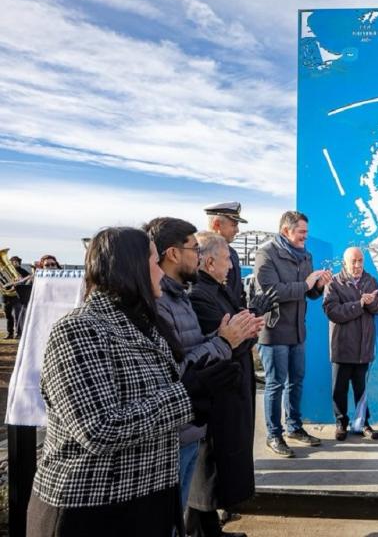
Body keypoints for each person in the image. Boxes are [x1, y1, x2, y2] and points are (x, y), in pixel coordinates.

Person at [26, 227, 240, 537]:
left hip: (145, 503)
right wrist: (187, 396)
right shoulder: (78, 330)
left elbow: (158, 395)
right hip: (90, 511)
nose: (161, 272)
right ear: (131, 268)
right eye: (154, 262)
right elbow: (98, 429)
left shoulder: (145, 326)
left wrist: (201, 386)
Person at [144, 217, 258, 529]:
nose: (198, 256)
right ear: (173, 254)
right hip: (179, 424)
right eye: (194, 249)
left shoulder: (180, 296)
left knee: (184, 504)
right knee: (175, 511)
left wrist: (227, 336)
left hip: (191, 422)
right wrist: (226, 340)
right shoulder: (166, 302)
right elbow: (176, 368)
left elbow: (193, 347)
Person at [187, 231, 267, 537]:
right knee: (208, 468)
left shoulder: (215, 290)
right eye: (226, 260)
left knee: (221, 463)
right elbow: (232, 339)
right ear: (209, 262)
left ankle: (209, 527)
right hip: (217, 394)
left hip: (231, 386)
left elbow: (240, 331)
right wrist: (245, 330)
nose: (232, 266)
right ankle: (200, 529)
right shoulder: (200, 295)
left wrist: (247, 326)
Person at [254, 211, 333, 457]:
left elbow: (308, 294)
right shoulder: (266, 254)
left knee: (296, 381)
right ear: (286, 231)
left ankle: (294, 428)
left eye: (306, 232)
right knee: (275, 384)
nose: (305, 237)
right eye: (301, 232)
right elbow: (271, 291)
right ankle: (274, 435)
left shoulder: (305, 255)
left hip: (298, 330)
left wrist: (318, 287)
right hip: (274, 330)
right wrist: (307, 284)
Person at [322, 246, 378, 440]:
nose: (358, 265)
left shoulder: (370, 281)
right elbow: (333, 312)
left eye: (360, 261)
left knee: (361, 390)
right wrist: (360, 304)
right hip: (342, 347)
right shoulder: (334, 283)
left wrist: (372, 303)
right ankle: (341, 423)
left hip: (363, 348)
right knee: (339, 390)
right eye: (354, 261)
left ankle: (362, 424)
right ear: (345, 263)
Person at [204, 202, 247, 309]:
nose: (237, 230)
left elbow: (237, 291)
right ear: (217, 224)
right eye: (234, 225)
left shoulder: (233, 253)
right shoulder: (200, 253)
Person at [2, 255, 30, 339]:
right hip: (6, 296)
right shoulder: (4, 271)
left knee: (18, 316)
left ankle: (18, 333)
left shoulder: (23, 271)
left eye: (16, 261)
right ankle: (10, 333)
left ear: (19, 262)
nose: (14, 263)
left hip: (17, 296)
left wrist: (22, 283)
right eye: (12, 261)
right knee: (8, 316)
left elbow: (29, 279)